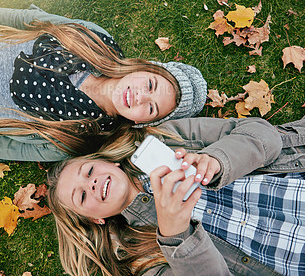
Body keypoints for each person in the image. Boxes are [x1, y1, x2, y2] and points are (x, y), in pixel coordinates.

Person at [48, 115, 305, 276]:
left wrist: (217, 160)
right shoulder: (138, 259)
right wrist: (176, 235)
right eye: (81, 196)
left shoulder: (164, 138)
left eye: (89, 171)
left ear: (109, 163)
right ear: (96, 220)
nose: (91, 184)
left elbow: (265, 135)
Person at [0, 5, 207, 162]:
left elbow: (13, 148)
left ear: (141, 123)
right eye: (151, 85)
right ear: (143, 68)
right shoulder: (96, 40)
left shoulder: (82, 137)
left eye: (151, 108)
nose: (140, 97)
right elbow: (29, 21)